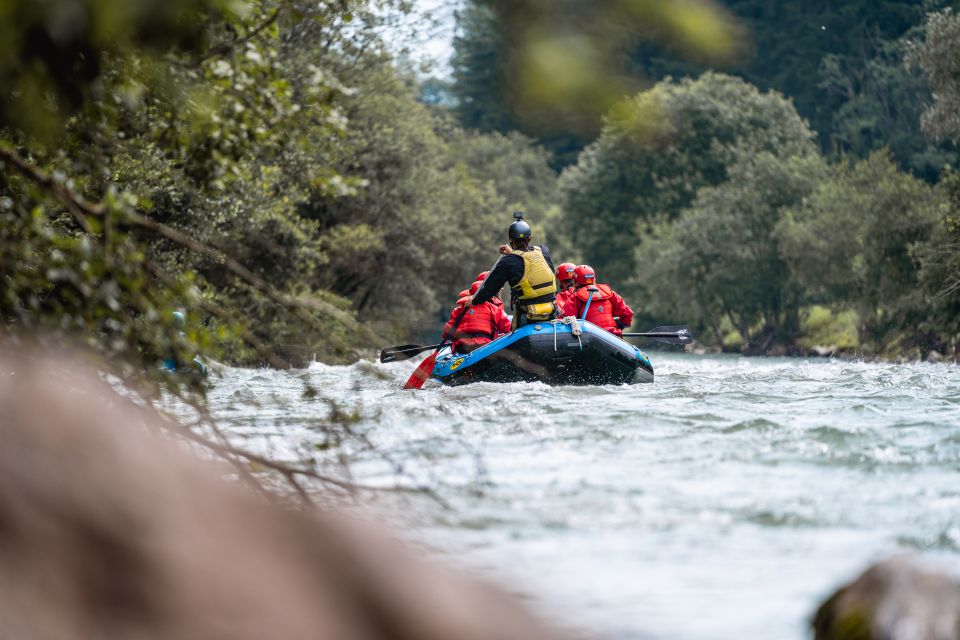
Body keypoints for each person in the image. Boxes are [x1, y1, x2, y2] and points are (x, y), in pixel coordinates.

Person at [460, 213, 558, 329]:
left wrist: (474, 301)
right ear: (530, 238)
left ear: (511, 240)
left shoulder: (508, 262)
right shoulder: (543, 251)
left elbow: (491, 288)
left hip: (528, 315)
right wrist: (512, 253)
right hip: (551, 311)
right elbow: (530, 264)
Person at [562, 265, 634, 337]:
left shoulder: (575, 297)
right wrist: (620, 326)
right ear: (594, 278)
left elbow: (566, 319)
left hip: (590, 337)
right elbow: (627, 313)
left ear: (575, 281)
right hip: (613, 335)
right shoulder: (610, 293)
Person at [443, 280, 512, 354]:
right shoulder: (492, 308)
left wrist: (451, 338)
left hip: (462, 346)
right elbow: (507, 327)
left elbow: (448, 330)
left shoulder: (458, 310)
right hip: (483, 345)